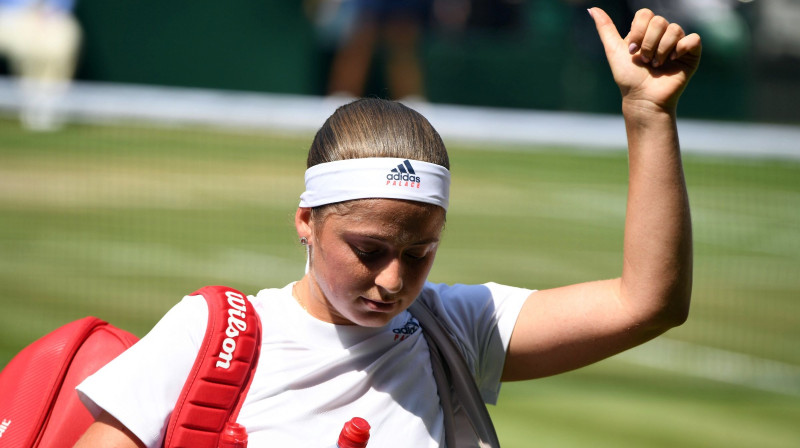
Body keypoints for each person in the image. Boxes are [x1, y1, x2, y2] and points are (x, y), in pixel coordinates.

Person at [73, 7, 700, 447]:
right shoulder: (211, 334)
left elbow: (648, 303)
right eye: (368, 250)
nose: (394, 280)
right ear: (306, 222)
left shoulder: (458, 328)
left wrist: (648, 115)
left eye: (421, 251)